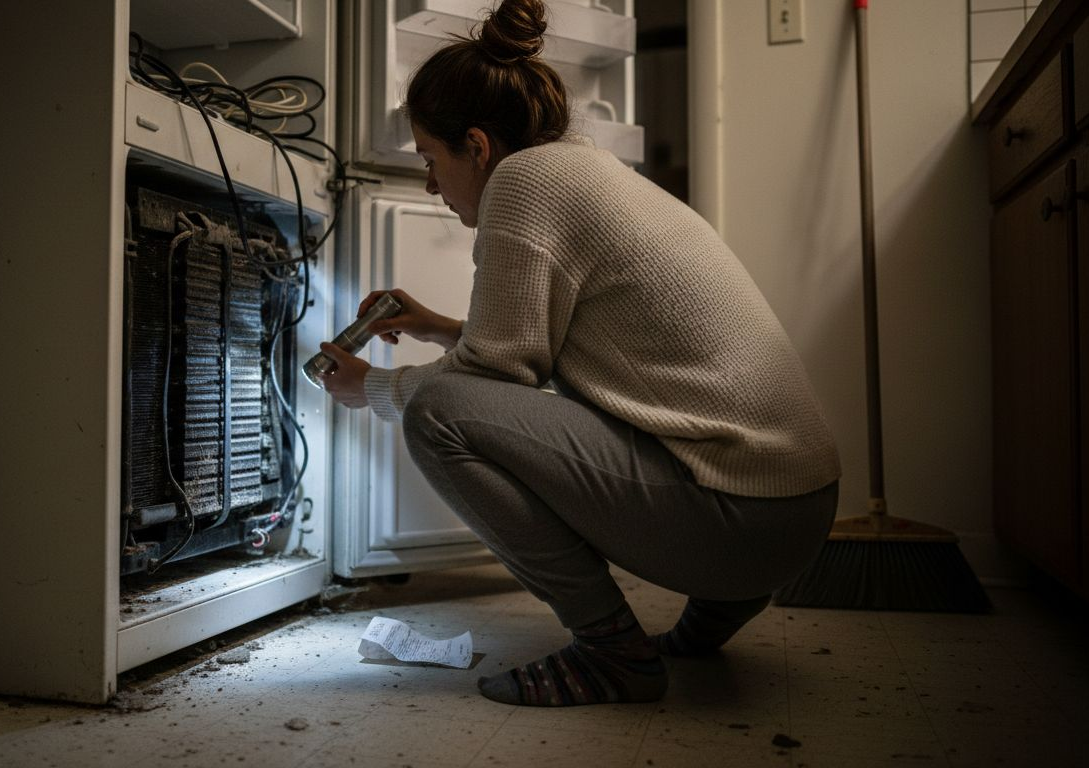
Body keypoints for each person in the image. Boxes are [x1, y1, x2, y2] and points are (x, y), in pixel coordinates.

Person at [317, 0, 840, 707]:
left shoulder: (523, 185)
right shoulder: (580, 169)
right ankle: (715, 609)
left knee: (435, 413)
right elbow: (547, 341)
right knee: (466, 395)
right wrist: (440, 326)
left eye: (432, 160)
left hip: (742, 526)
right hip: (797, 512)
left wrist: (372, 389)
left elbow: (497, 373)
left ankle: (611, 652)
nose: (433, 186)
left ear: (476, 145)